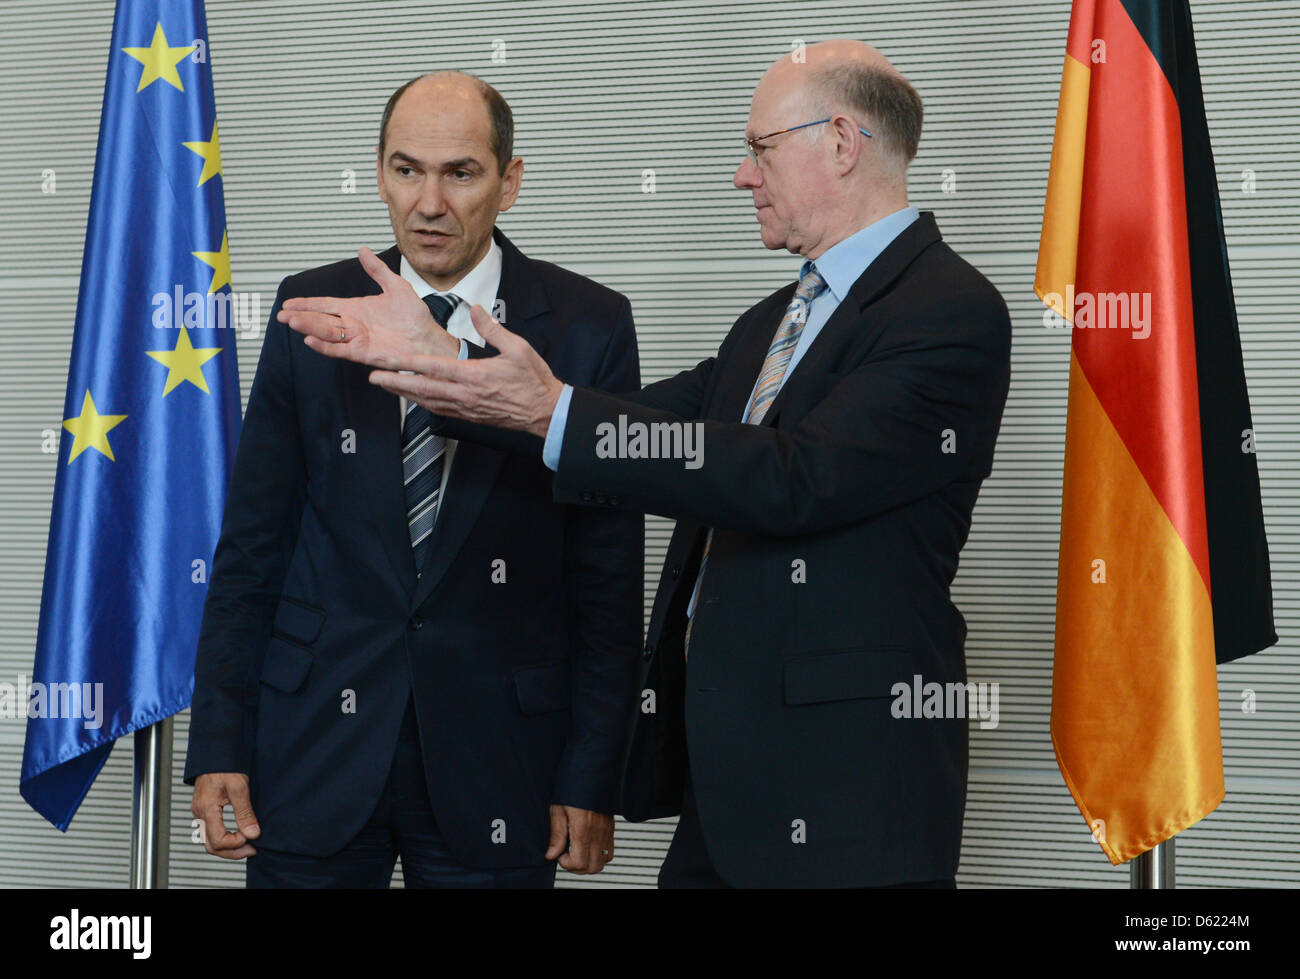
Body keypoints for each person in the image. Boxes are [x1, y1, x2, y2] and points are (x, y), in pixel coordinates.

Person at [284, 41, 1011, 888]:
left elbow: (792, 476)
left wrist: (550, 408)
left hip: (846, 788)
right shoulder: (772, 318)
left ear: (842, 143)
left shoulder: (950, 310)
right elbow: (643, 426)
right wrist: (450, 363)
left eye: (759, 148)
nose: (744, 176)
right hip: (726, 785)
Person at [184, 71, 644, 888]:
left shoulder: (589, 327)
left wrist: (591, 773)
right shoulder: (313, 309)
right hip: (312, 750)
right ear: (379, 169)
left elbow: (605, 578)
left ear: (511, 180)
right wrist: (220, 740)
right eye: (407, 169)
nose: (429, 202)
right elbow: (252, 546)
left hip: (502, 764)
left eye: (460, 173)